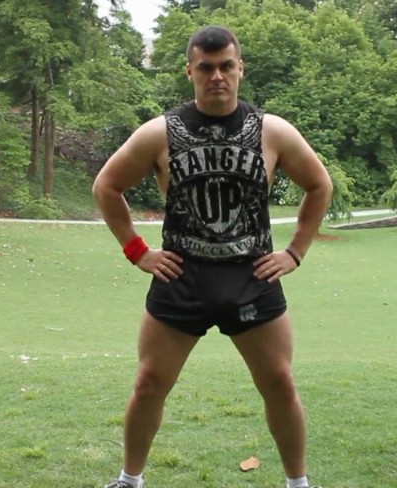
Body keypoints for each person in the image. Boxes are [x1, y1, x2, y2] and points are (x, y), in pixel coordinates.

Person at [92, 25, 332, 488]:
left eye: (226, 66)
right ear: (190, 72)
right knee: (149, 383)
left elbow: (319, 185)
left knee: (280, 384)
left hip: (251, 276)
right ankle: (129, 480)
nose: (216, 76)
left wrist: (295, 252)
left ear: (241, 69)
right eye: (206, 67)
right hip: (181, 277)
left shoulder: (272, 130)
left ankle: (298, 484)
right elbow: (107, 186)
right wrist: (137, 251)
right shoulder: (161, 132)